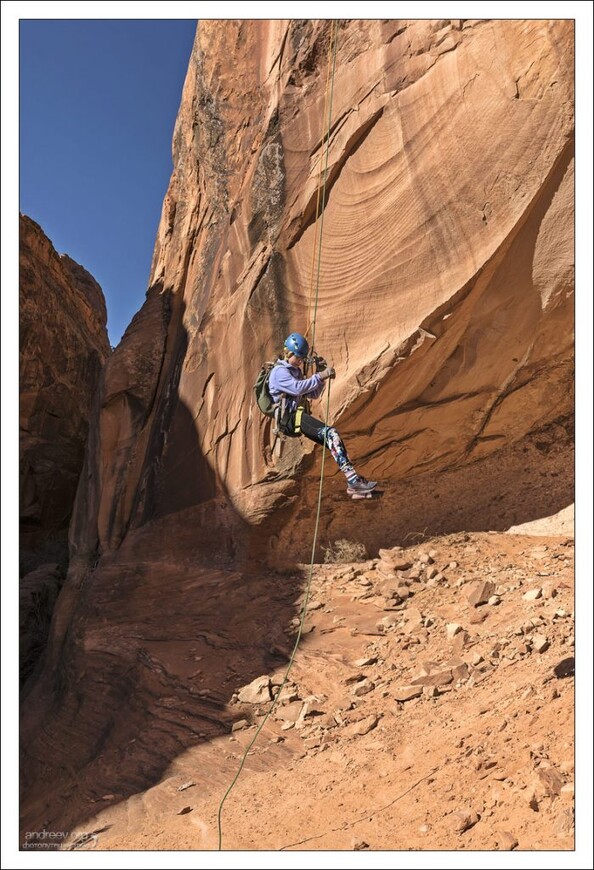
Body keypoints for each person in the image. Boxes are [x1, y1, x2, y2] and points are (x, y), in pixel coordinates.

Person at [268, 332, 378, 495]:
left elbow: (313, 394)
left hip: (296, 416)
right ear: (289, 353)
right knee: (332, 434)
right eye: (298, 357)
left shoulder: (295, 372)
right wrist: (320, 375)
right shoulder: (279, 372)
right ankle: (353, 481)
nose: (300, 361)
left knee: (332, 441)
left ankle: (354, 483)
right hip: (290, 418)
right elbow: (298, 388)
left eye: (302, 358)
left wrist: (321, 375)